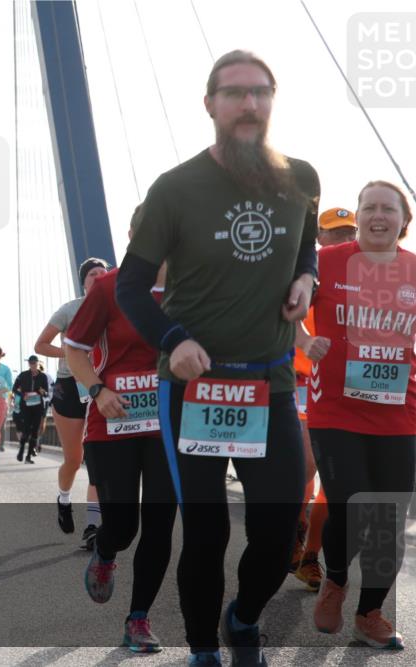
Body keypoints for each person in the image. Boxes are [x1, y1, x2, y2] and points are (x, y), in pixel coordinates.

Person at [116, 50, 320, 666]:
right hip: (194, 388)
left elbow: (305, 244)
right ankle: (204, 645)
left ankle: (244, 618)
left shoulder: (303, 178)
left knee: (281, 528)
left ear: (272, 100)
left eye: (260, 92)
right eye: (234, 94)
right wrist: (173, 340)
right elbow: (130, 286)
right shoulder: (175, 189)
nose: (249, 105)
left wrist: (306, 280)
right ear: (210, 104)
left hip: (271, 382)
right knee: (207, 532)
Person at [308, 181, 414, 649]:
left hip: (399, 413)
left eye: (387, 209)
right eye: (368, 206)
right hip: (335, 410)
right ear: (357, 215)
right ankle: (334, 578)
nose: (378, 215)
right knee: (350, 504)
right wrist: (300, 342)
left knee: (387, 519)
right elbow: (281, 309)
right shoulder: (325, 262)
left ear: (403, 221)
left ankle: (370, 613)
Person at [64, 233, 177, 653]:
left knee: (161, 522)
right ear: (135, 234)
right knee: (124, 524)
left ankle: (138, 619)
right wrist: (97, 391)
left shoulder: (195, 284)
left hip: (168, 424)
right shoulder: (111, 286)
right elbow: (73, 350)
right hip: (113, 423)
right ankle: (107, 551)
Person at [287, 207, 355, 590]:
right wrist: (307, 343)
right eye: (336, 233)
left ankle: (310, 554)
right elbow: (289, 315)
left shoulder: (370, 278)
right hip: (303, 380)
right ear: (319, 239)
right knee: (308, 464)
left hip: (350, 386)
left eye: (349, 232)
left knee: (336, 479)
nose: (345, 240)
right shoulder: (311, 276)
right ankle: (294, 532)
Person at [35, 258, 109, 546]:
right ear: (84, 282)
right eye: (93, 274)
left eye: (104, 273)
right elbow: (40, 345)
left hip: (101, 386)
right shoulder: (70, 309)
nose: (100, 277)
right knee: (74, 460)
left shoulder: (118, 305)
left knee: (96, 460)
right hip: (69, 386)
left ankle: (92, 525)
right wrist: (69, 354)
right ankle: (63, 499)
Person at [12, 355, 49, 464]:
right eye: (31, 363)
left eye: (34, 363)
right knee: (26, 430)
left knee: (35, 431)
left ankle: (28, 456)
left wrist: (43, 392)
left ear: (38, 363)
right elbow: (14, 389)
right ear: (29, 364)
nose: (33, 365)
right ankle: (21, 450)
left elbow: (46, 392)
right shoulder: (23, 375)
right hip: (26, 407)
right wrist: (23, 395)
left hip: (38, 407)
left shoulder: (43, 377)